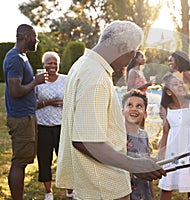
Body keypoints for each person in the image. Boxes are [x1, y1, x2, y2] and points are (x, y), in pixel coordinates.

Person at [55, 20, 166, 200]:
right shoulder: (96, 76)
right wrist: (135, 165)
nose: (127, 62)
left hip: (96, 181)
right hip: (103, 185)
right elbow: (85, 141)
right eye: (131, 55)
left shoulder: (82, 64)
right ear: (122, 47)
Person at [3, 24, 46, 200]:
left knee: (23, 161)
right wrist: (35, 82)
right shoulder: (15, 58)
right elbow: (15, 91)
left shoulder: (22, 57)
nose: (37, 40)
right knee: (19, 163)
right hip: (21, 119)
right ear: (27, 36)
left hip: (26, 117)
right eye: (35, 37)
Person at [35, 52, 77, 200]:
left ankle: (70, 191)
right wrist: (48, 102)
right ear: (43, 64)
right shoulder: (37, 81)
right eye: (49, 63)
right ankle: (48, 192)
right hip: (43, 127)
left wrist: (67, 104)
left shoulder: (66, 80)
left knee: (66, 159)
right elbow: (30, 105)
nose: (52, 66)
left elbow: (74, 99)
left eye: (55, 63)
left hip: (62, 127)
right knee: (44, 160)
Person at [158, 74, 190, 200]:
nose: (180, 85)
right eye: (175, 84)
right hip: (173, 151)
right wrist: (161, 155)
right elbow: (165, 132)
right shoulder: (166, 109)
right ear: (168, 92)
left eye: (180, 83)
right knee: (167, 184)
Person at [122, 89, 155, 200]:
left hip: (144, 193)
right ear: (123, 111)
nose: (134, 109)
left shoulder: (144, 135)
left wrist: (152, 195)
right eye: (129, 105)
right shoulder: (119, 136)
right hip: (126, 194)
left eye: (139, 106)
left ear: (145, 114)